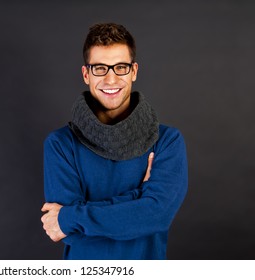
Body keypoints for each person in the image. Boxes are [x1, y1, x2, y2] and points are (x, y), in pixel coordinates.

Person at [41, 23, 188, 260]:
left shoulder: (167, 141)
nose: (111, 79)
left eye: (120, 67)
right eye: (100, 68)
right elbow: (68, 233)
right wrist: (140, 197)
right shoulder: (60, 144)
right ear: (86, 74)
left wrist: (71, 216)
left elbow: (157, 216)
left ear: (134, 71)